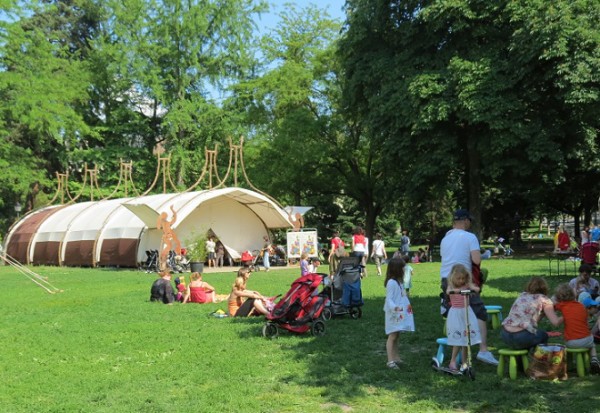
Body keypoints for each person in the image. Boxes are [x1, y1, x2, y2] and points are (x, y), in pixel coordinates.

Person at [439, 208, 498, 365]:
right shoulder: (470, 237)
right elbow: (476, 260)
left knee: (455, 311)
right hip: (462, 279)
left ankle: (457, 347)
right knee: (479, 312)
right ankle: (483, 350)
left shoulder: (446, 237)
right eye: (469, 221)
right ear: (465, 221)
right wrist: (485, 254)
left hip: (446, 278)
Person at [500, 276, 563, 350]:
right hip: (521, 336)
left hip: (505, 334)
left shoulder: (523, 295)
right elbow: (556, 322)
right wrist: (567, 314)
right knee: (543, 335)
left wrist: (542, 314)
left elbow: (532, 322)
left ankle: (521, 359)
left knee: (529, 335)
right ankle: (539, 359)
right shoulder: (544, 300)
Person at [553, 283, 600, 373]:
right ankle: (594, 359)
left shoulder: (562, 305)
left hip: (571, 342)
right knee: (592, 344)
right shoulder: (581, 306)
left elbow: (553, 306)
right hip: (586, 339)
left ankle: (569, 365)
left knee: (567, 346)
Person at [445, 264, 482, 372]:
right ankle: (452, 361)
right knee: (458, 339)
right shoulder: (451, 285)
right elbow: (448, 291)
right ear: (453, 277)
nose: (461, 281)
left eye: (463, 278)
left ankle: (464, 362)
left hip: (466, 312)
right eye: (459, 278)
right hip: (456, 314)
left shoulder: (466, 285)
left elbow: (475, 288)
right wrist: (455, 291)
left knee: (467, 339)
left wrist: (475, 289)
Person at [383, 258, 414, 369]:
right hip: (394, 314)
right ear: (397, 269)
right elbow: (389, 299)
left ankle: (396, 357)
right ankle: (390, 361)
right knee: (392, 336)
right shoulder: (392, 283)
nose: (404, 269)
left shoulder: (398, 282)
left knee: (397, 335)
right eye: (402, 268)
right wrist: (395, 308)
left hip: (398, 312)